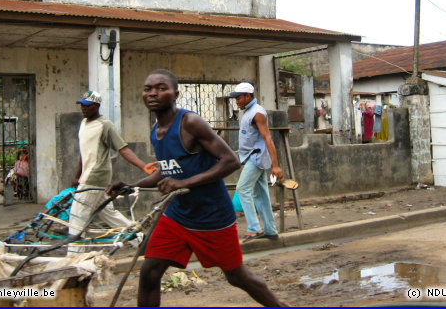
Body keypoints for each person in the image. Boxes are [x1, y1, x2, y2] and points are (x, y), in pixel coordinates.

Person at [106, 69, 286, 307]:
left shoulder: (190, 122)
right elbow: (167, 170)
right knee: (149, 271)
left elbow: (230, 161)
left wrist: (184, 183)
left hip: (212, 217)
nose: (153, 93)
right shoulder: (156, 132)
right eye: (148, 89)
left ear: (176, 94)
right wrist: (131, 186)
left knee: (236, 276)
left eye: (161, 88)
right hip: (177, 216)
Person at [67, 90, 157, 254]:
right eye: (82, 105)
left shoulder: (105, 125)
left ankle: (74, 256)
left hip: (95, 176)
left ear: (97, 106)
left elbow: (123, 149)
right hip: (88, 176)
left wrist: (143, 166)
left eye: (87, 106)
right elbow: (83, 152)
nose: (83, 109)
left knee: (77, 216)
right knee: (108, 213)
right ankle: (139, 240)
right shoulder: (84, 124)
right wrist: (77, 176)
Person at [231, 82, 283, 243]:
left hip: (256, 158)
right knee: (260, 194)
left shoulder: (257, 113)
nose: (237, 101)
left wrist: (275, 165)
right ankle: (270, 230)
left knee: (242, 189)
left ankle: (254, 228)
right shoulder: (248, 112)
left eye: (239, 98)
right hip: (252, 157)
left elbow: (268, 138)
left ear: (248, 96)